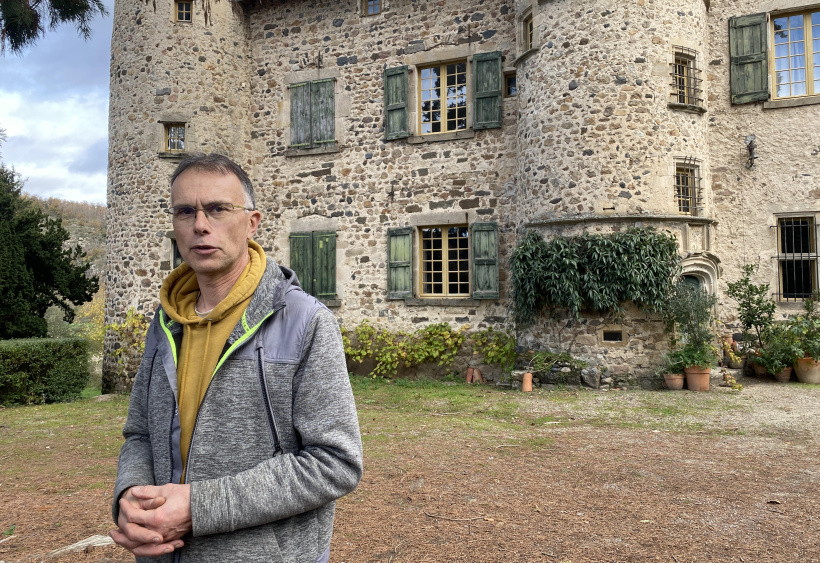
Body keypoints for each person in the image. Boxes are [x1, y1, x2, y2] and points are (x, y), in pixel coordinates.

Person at [110, 153, 363, 562]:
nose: (200, 225)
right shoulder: (166, 321)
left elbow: (335, 462)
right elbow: (140, 434)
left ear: (252, 222)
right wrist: (130, 495)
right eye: (185, 211)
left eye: (217, 209)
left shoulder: (305, 322)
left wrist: (198, 508)